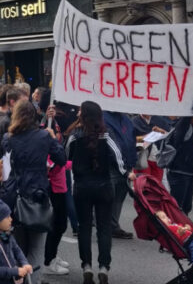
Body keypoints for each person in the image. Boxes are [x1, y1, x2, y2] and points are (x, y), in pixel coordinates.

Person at [2, 101, 67, 284]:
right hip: (37, 195)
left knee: (19, 248)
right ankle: (34, 281)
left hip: (14, 195)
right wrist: (52, 139)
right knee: (36, 248)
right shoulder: (43, 137)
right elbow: (61, 159)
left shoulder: (8, 138)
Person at [66, 101, 131, 284]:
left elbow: (66, 155)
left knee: (85, 227)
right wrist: (127, 173)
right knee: (104, 229)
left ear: (83, 115)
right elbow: (118, 158)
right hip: (104, 187)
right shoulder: (105, 136)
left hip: (81, 188)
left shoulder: (74, 135)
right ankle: (104, 267)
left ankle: (86, 266)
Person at [0, 197, 32, 284]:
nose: (11, 219)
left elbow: (17, 250)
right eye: (7, 216)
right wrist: (15, 271)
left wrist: (24, 263)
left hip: (10, 279)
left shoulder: (7, 233)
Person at [102, 110, 137, 240]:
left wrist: (132, 162)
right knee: (108, 198)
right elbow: (112, 148)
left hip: (125, 164)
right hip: (111, 166)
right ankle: (105, 226)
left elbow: (131, 140)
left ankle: (113, 226)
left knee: (119, 198)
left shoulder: (126, 119)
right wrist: (125, 170)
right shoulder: (104, 118)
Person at [167, 116, 193, 215]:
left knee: (187, 206)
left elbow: (192, 152)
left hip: (189, 173)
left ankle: (183, 227)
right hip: (179, 173)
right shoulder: (184, 127)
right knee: (177, 207)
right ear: (192, 117)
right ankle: (174, 228)